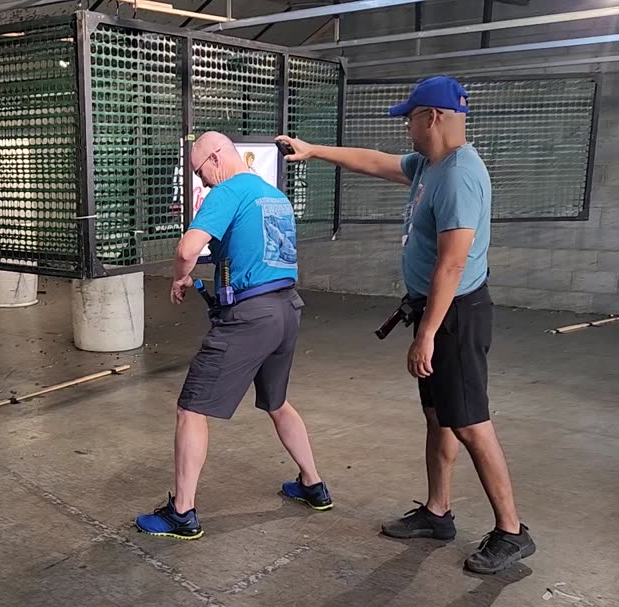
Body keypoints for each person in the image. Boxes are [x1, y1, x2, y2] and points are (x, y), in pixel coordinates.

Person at [277, 76, 536, 574]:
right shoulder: (430, 166)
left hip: (455, 314)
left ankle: (511, 530)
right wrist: (314, 151)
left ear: (432, 117)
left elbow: (452, 264)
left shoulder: (460, 175)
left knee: (470, 423)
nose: (406, 127)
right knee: (440, 417)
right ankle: (438, 513)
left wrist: (428, 334)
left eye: (410, 117)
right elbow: (375, 161)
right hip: (436, 310)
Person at [134, 131, 332, 540]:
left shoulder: (227, 191)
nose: (202, 182)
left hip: (250, 317)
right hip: (285, 309)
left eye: (201, 172)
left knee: (191, 409)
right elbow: (250, 249)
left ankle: (181, 513)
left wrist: (180, 277)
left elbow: (188, 249)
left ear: (216, 157)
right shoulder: (273, 195)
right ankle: (313, 485)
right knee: (277, 402)